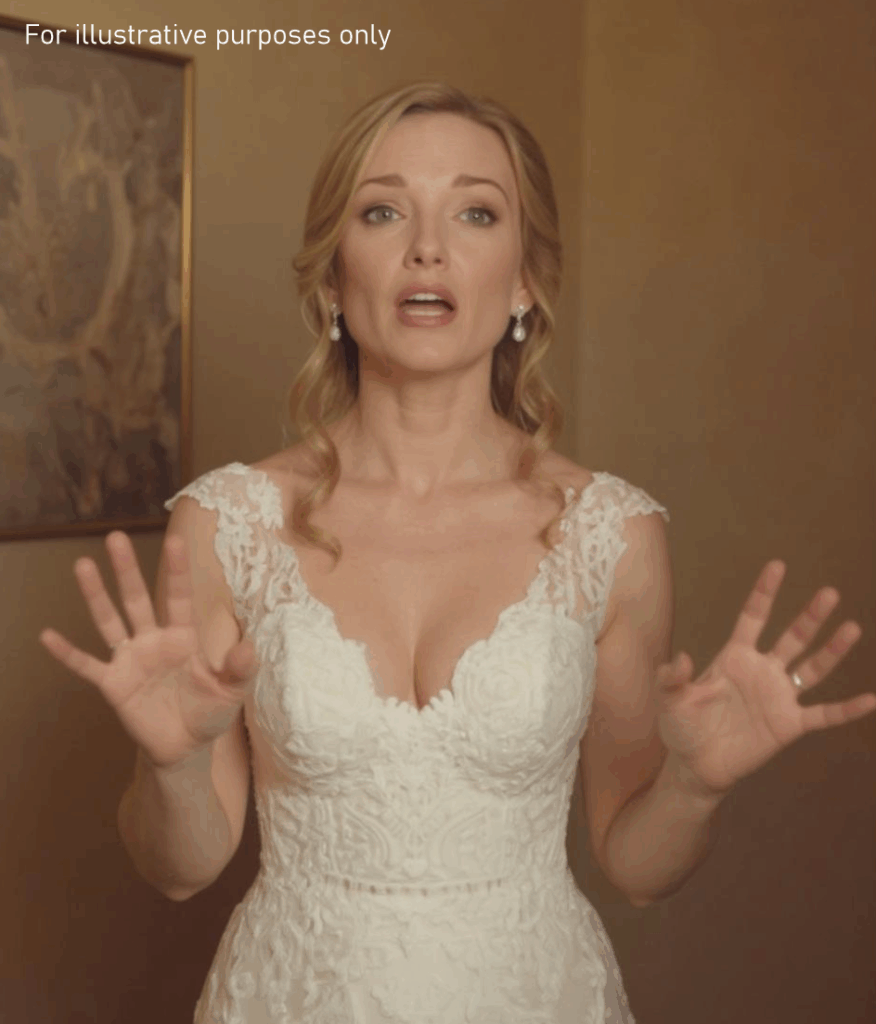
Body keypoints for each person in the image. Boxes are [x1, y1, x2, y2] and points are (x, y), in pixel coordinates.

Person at [38, 81, 874, 1024]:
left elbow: (639, 867)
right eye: (383, 211)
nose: (427, 247)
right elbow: (181, 869)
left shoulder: (610, 533)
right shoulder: (227, 523)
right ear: (332, 278)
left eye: (475, 212)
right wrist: (171, 767)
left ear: (524, 280)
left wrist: (693, 783)